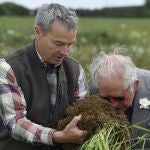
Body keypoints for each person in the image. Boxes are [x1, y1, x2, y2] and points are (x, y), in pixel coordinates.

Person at [0, 3, 88, 150]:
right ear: (38, 32)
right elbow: (15, 122)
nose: (65, 52)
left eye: (70, 44)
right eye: (58, 43)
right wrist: (56, 136)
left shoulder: (76, 71)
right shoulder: (8, 68)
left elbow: (82, 115)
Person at [89, 51, 150, 149]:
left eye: (119, 98)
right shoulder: (95, 89)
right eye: (105, 98)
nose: (112, 105)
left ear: (135, 85)